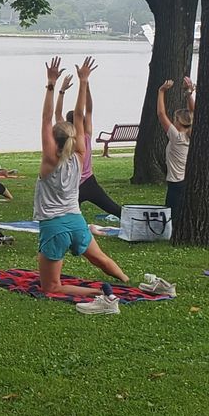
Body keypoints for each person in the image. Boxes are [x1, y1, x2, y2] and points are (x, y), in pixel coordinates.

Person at [37, 57, 130, 313]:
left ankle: (104, 293)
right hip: (77, 222)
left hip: (55, 226)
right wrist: (84, 81)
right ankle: (126, 283)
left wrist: (51, 85)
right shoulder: (80, 154)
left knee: (51, 287)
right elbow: (79, 115)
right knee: (100, 258)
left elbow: (46, 120)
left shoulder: (49, 161)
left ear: (53, 141)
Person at [58, 66, 122, 217]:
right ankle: (135, 221)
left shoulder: (66, 137)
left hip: (74, 185)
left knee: (68, 216)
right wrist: (85, 84)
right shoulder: (85, 134)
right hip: (88, 183)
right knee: (113, 208)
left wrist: (61, 91)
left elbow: (57, 114)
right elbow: (88, 110)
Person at [155, 77, 195, 216]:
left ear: (178, 122)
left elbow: (161, 114)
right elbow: (194, 113)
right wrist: (188, 93)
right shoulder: (192, 136)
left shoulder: (177, 137)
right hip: (187, 181)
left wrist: (161, 91)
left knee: (172, 215)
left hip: (176, 183)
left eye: (174, 119)